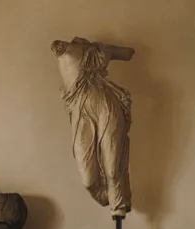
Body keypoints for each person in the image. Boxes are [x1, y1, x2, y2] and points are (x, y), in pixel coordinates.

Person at [51, 36, 135, 217]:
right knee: (88, 179)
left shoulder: (99, 51)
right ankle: (109, 195)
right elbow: (59, 47)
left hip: (108, 106)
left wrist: (107, 50)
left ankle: (118, 205)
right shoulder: (68, 54)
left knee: (113, 164)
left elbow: (128, 53)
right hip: (82, 113)